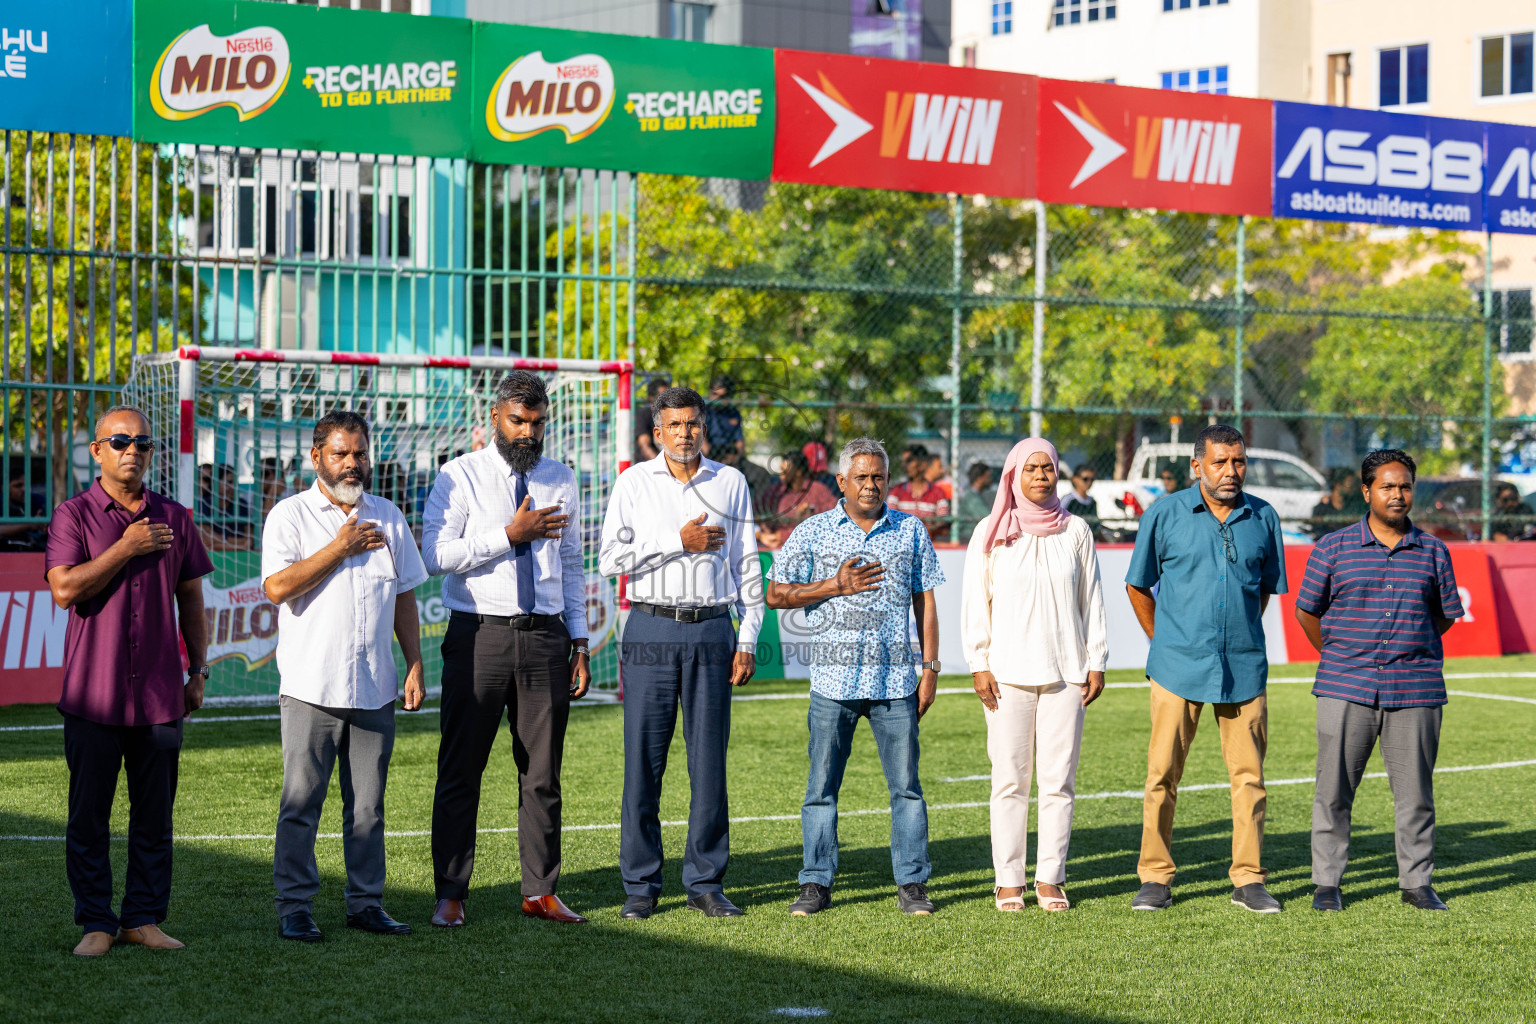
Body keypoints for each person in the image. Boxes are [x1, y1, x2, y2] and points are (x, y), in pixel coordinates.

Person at [422, 371, 592, 927]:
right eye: (518, 421)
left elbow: (571, 565)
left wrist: (581, 640)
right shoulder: (459, 475)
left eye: (537, 423)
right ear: (496, 418)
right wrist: (508, 535)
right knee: (461, 769)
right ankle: (451, 892)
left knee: (542, 772)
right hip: (478, 636)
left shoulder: (562, 478)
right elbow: (435, 556)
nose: (528, 432)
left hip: (546, 639)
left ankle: (540, 891)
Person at [44, 405, 212, 957]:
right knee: (89, 816)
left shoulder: (174, 517)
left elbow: (191, 596)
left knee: (154, 817)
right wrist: (126, 548)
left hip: (162, 694)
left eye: (143, 443)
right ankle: (97, 921)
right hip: (94, 694)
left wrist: (198, 670)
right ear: (97, 451)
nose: (133, 451)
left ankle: (142, 918)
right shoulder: (73, 516)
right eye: (120, 442)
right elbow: (66, 589)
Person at [262, 411, 430, 943]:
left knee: (368, 808)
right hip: (312, 688)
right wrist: (339, 547)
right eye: (341, 453)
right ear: (317, 458)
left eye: (359, 453)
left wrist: (415, 663)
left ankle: (365, 903)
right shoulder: (290, 515)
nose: (352, 463)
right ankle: (295, 907)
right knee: (300, 805)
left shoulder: (389, 516)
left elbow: (404, 593)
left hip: (375, 686)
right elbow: (277, 588)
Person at [598, 385, 762, 920]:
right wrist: (677, 540)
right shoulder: (633, 483)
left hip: (714, 629)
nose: (684, 433)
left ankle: (706, 882)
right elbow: (609, 560)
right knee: (644, 764)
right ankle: (641, 885)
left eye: (692, 424)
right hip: (650, 628)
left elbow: (747, 564)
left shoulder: (731, 482)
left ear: (702, 426)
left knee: (709, 763)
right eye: (674, 425)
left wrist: (747, 636)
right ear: (656, 432)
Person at [766, 438, 943, 917]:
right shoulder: (813, 531)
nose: (870, 485)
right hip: (833, 683)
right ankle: (815, 883)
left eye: (878, 476)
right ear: (841, 481)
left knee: (907, 788)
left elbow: (925, 601)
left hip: (895, 683)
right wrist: (834, 585)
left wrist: (929, 669)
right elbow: (775, 594)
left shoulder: (910, 530)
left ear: (888, 480)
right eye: (860, 477)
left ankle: (912, 883)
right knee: (820, 790)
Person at [1124, 424, 1287, 914]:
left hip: (1244, 667)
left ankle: (1249, 879)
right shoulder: (1165, 513)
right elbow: (1138, 586)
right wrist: (1167, 642)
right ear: (1197, 466)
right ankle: (1155, 877)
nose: (1230, 471)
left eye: (1238, 462)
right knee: (1161, 776)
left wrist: (1232, 636)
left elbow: (1262, 592)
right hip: (1176, 667)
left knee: (1249, 778)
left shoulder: (1264, 517)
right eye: (1219, 462)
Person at [1295, 450, 1463, 913]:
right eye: (1388, 486)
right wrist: (1337, 654)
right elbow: (1307, 611)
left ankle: (1417, 882)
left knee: (1415, 795)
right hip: (1345, 684)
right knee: (1332, 791)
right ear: (1366, 491)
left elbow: (1443, 616)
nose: (1398, 494)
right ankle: (1327, 884)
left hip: (1416, 689)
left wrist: (1409, 647)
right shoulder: (1332, 547)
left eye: (1405, 486)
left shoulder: (1433, 551)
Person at [962, 438, 1107, 913]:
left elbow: (1093, 601)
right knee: (1009, 780)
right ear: (1013, 476)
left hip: (1067, 673)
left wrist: (1097, 660)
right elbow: (974, 604)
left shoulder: (1077, 531)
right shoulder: (991, 530)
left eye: (1048, 468)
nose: (1041, 476)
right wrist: (978, 663)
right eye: (1031, 469)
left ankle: (1050, 878)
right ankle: (1008, 880)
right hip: (1005, 674)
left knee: (1058, 780)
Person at [755, 450, 837, 550]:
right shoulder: (774, 492)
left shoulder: (818, 490)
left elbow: (834, 516)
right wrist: (763, 534)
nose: (780, 473)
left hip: (808, 547)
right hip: (774, 547)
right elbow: (756, 514)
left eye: (784, 470)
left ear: (797, 472)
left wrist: (810, 513)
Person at [889, 444, 951, 543]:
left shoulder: (937, 493)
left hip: (930, 546)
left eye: (909, 461)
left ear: (923, 464)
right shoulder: (896, 492)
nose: (904, 466)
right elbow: (890, 521)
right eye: (904, 462)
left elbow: (943, 524)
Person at [1310, 467, 1365, 538]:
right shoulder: (1322, 509)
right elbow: (1318, 533)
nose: (1352, 487)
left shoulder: (1354, 506)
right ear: (1337, 485)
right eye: (1349, 484)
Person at [703, 375, 746, 461]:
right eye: (714, 394)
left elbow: (740, 443)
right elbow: (700, 440)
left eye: (722, 396)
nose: (717, 399)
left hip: (729, 455)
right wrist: (712, 460)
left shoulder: (733, 413)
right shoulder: (702, 410)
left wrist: (735, 459)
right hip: (708, 456)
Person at [955, 462, 996, 543]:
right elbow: (988, 518)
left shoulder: (975, 495)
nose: (990, 479)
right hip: (967, 537)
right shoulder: (971, 498)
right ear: (980, 478)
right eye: (988, 476)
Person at [1063, 464, 1102, 539]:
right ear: (1074, 479)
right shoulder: (1069, 500)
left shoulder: (1092, 502)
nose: (1089, 482)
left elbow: (1096, 526)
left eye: (1092, 479)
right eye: (1085, 479)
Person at [635, 378, 667, 464]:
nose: (665, 400)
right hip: (650, 466)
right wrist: (662, 465)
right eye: (661, 395)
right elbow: (645, 447)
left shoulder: (671, 416)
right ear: (651, 397)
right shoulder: (644, 415)